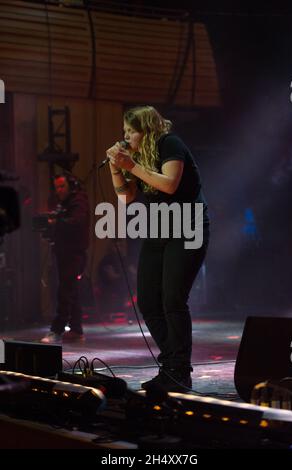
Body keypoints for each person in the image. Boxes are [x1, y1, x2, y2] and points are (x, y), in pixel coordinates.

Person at [106, 105, 209, 392]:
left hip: (188, 229)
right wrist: (117, 169)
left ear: (146, 129)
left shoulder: (169, 143)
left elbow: (170, 184)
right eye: (124, 131)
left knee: (173, 299)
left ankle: (178, 370)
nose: (125, 137)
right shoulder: (137, 156)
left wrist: (132, 166)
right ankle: (173, 363)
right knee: (149, 301)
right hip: (159, 231)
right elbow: (126, 198)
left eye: (130, 131)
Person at [41, 174, 90, 343]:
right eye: (57, 187)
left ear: (70, 185)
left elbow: (76, 222)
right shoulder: (62, 203)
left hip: (74, 253)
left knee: (65, 291)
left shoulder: (79, 201)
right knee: (71, 292)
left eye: (62, 186)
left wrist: (56, 223)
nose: (59, 190)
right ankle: (76, 329)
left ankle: (57, 330)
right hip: (62, 253)